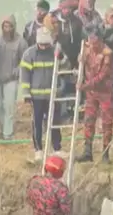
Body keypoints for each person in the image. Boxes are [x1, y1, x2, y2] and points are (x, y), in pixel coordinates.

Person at [21, 27, 69, 162]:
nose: (43, 47)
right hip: (36, 97)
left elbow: (65, 67)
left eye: (46, 44)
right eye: (41, 44)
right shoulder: (29, 54)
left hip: (53, 94)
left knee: (54, 122)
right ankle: (38, 149)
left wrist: (62, 58)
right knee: (37, 123)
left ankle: (57, 148)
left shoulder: (55, 51)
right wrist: (26, 93)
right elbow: (24, 75)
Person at [77, 25, 113, 163]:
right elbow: (82, 65)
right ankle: (87, 152)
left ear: (100, 39)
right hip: (91, 93)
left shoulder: (107, 53)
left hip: (104, 92)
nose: (92, 43)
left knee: (106, 122)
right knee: (88, 120)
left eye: (94, 40)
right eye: (90, 39)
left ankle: (105, 154)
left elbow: (102, 76)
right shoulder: (86, 50)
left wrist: (85, 86)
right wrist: (80, 59)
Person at [0, 15, 28, 140]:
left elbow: (24, 61)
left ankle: (7, 133)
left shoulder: (21, 42)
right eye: (5, 26)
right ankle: (4, 125)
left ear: (14, 27)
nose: (7, 29)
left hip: (11, 79)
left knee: (9, 107)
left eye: (9, 26)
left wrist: (16, 71)